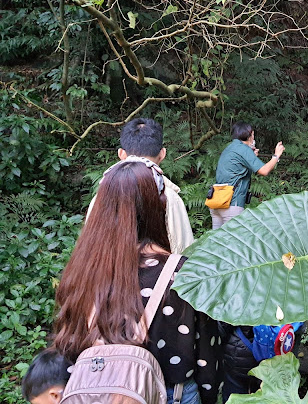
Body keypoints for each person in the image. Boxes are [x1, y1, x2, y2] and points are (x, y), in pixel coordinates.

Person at [53, 161, 222, 404]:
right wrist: (209, 394)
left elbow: (68, 349)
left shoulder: (80, 273)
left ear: (100, 210)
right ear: (157, 207)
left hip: (96, 394)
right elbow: (206, 352)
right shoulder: (180, 273)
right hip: (172, 393)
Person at [87, 118, 194, 253]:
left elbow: (90, 247)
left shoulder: (103, 194)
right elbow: (183, 251)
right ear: (162, 154)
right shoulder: (169, 198)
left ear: (121, 154)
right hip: (158, 272)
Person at [212, 122, 285, 229]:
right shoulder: (244, 149)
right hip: (231, 203)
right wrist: (276, 155)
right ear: (250, 135)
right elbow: (264, 171)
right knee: (235, 243)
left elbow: (235, 168)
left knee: (216, 243)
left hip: (217, 202)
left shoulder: (230, 148)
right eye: (253, 135)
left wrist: (251, 156)